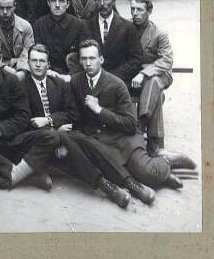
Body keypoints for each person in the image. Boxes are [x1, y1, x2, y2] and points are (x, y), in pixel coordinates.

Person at [17, 44, 131, 207]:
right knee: (67, 139)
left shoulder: (59, 84)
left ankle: (127, 182)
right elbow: (23, 120)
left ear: (48, 64)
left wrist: (49, 120)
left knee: (81, 139)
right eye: (34, 61)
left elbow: (73, 114)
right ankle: (105, 185)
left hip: (60, 139)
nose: (37, 65)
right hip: (37, 141)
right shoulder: (19, 87)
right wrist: (53, 128)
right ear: (28, 63)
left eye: (42, 61)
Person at [69, 40, 181, 205]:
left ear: (101, 59)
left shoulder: (116, 84)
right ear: (79, 60)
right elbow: (75, 114)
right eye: (84, 58)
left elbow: (130, 124)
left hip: (123, 139)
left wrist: (99, 110)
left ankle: (165, 162)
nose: (88, 63)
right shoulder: (76, 81)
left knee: (147, 173)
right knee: (106, 170)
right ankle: (144, 177)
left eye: (92, 58)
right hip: (99, 142)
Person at [0, 40, 57, 190]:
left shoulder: (11, 80)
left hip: (12, 138)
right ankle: (29, 176)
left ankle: (11, 176)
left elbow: (23, 115)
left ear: (0, 59)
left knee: (51, 137)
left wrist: (0, 130)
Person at [130, 0, 174, 155]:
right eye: (132, 9)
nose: (135, 13)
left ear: (149, 11)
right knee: (157, 96)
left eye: (139, 10)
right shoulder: (126, 27)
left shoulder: (159, 33)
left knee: (153, 82)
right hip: (135, 75)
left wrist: (144, 72)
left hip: (160, 74)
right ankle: (155, 144)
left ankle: (140, 125)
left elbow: (166, 60)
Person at [84, 0, 143, 87]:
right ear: (94, 1)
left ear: (113, 0)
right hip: (92, 81)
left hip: (120, 81)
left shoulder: (128, 27)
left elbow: (136, 60)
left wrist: (110, 77)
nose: (102, 3)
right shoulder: (86, 26)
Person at [33, 0, 88, 77]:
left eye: (61, 1)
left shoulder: (79, 25)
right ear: (48, 3)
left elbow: (85, 54)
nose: (57, 5)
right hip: (46, 74)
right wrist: (47, 72)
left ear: (68, 4)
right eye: (53, 1)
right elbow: (36, 53)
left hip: (72, 75)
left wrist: (71, 76)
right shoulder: (39, 25)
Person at [0, 0, 34, 80]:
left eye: (8, 8)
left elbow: (28, 51)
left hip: (22, 70)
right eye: (1, 8)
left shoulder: (25, 26)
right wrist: (6, 69)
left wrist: (22, 71)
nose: (5, 12)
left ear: (14, 6)